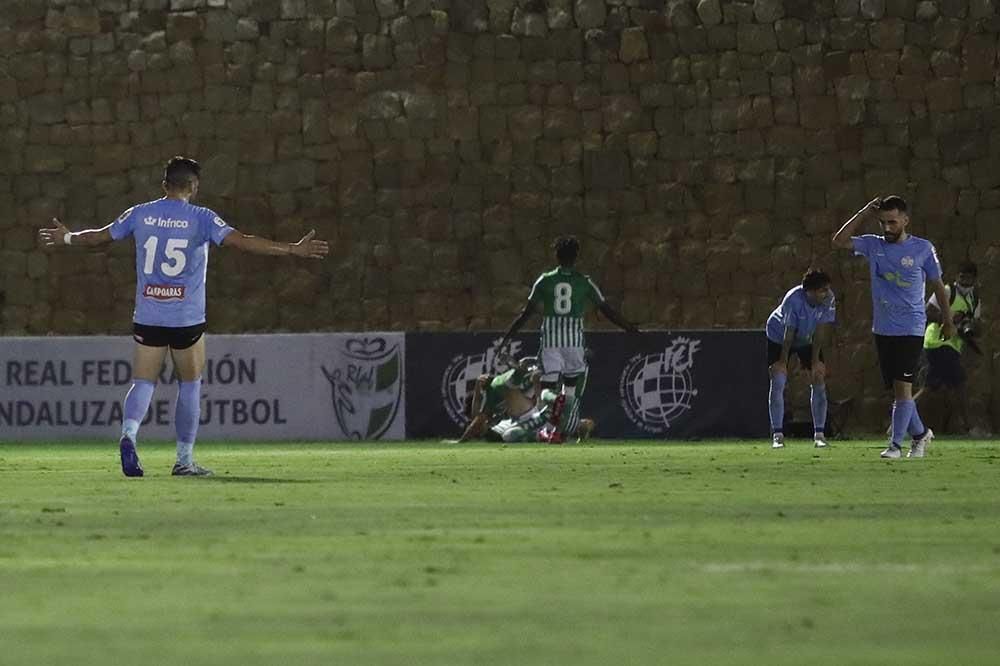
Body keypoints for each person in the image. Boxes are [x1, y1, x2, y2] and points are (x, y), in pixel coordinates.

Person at [38, 156, 329, 477]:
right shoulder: (201, 218)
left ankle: (129, 435)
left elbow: (97, 237)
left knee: (143, 381)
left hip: (148, 315)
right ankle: (184, 460)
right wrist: (292, 250)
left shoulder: (140, 213)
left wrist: (66, 237)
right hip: (185, 320)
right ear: (193, 187)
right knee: (190, 384)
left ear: (164, 186)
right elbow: (243, 242)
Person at [832, 195, 955, 459]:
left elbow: (938, 286)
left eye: (892, 222)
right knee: (901, 392)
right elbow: (839, 241)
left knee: (902, 389)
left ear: (905, 220)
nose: (887, 228)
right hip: (883, 329)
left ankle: (895, 445)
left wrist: (948, 320)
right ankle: (921, 434)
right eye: (883, 223)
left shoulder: (922, 249)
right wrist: (864, 212)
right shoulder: (873, 245)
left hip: (911, 328)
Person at [497, 236, 638, 442]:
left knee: (546, 391)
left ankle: (554, 409)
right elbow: (607, 310)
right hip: (574, 343)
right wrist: (630, 329)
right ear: (576, 256)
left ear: (556, 255)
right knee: (570, 392)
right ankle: (556, 433)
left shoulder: (545, 280)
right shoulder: (584, 282)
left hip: (552, 343)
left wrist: (507, 337)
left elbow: (525, 314)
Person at [765, 269, 836, 449]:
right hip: (779, 336)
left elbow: (821, 331)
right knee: (779, 379)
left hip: (806, 337)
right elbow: (788, 335)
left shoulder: (828, 298)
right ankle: (778, 435)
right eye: (822, 290)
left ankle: (819, 434)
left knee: (818, 377)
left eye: (827, 289)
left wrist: (815, 362)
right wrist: (782, 362)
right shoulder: (793, 299)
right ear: (809, 292)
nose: (826, 293)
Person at [916, 260, 982, 433]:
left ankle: (898, 420)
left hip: (952, 346)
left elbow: (976, 324)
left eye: (968, 279)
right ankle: (969, 427)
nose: (964, 282)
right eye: (962, 277)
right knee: (959, 385)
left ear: (974, 280)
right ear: (956, 277)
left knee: (931, 387)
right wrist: (951, 320)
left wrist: (969, 326)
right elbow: (928, 311)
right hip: (938, 343)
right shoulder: (947, 291)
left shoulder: (974, 299)